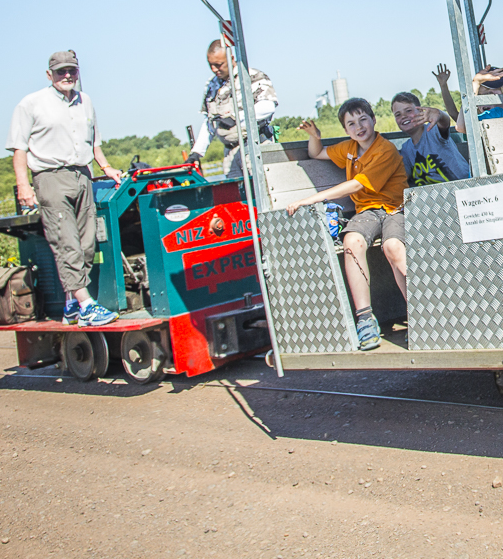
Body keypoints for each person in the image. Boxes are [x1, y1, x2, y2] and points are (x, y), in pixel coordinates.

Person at [6, 50, 123, 326]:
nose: (67, 76)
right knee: (66, 242)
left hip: (83, 176)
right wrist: (24, 186)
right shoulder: (31, 104)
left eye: (72, 70)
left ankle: (71, 302)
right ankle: (86, 306)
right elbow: (19, 150)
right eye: (61, 71)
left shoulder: (86, 102)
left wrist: (107, 168)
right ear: (50, 75)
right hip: (50, 177)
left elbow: (94, 143)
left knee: (86, 244)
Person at [283, 98, 408, 351]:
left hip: (396, 209)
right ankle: (365, 318)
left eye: (363, 119)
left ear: (373, 120)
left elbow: (356, 185)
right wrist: (315, 135)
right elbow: (316, 153)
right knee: (352, 241)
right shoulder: (349, 149)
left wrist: (310, 199)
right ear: (345, 129)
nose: (358, 126)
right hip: (368, 212)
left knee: (393, 246)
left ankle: (421, 313)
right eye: (351, 123)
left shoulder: (385, 150)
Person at [187, 39, 278, 179]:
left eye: (218, 65)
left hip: (253, 146)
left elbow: (268, 106)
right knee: (238, 196)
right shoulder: (212, 85)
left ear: (231, 58)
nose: (214, 69)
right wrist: (197, 152)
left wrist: (237, 117)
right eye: (210, 65)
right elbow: (210, 123)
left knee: (264, 190)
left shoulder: (250, 76)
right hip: (230, 154)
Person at [391, 88, 470, 187]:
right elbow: (402, 176)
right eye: (398, 114)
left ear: (421, 110)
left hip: (462, 186)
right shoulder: (406, 149)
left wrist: (440, 114)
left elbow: (444, 123)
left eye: (408, 111)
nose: (403, 116)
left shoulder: (432, 131)